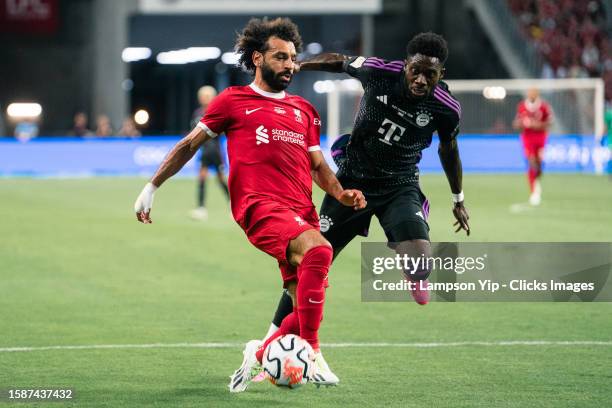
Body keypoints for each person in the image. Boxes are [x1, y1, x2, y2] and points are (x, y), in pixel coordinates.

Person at [133, 17, 366, 392]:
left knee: (305, 295)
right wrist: (152, 186)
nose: (290, 64)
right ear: (257, 58)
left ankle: (259, 353)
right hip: (260, 207)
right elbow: (189, 145)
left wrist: (340, 194)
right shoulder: (232, 101)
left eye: (293, 58)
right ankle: (311, 351)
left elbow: (318, 165)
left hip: (300, 210)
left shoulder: (304, 110)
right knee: (319, 251)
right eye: (280, 57)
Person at [254, 32, 470, 361]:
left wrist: (458, 198)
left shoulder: (446, 108)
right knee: (308, 261)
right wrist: (301, 64)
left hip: (400, 185)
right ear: (406, 66)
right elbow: (338, 62)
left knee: (422, 262)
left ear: (441, 75)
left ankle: (413, 267)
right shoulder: (379, 71)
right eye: (416, 70)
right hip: (351, 182)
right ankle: (268, 338)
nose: (421, 79)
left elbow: (448, 149)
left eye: (431, 74)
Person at [189, 86, 230, 221]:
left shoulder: (218, 111)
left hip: (216, 151)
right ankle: (201, 208)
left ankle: (233, 205)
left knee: (220, 179)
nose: (204, 98)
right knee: (201, 178)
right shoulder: (197, 113)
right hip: (204, 151)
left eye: (207, 96)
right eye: (202, 96)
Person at [513, 88, 552, 206]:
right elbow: (516, 123)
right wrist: (520, 124)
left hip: (540, 138)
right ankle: (534, 192)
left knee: (539, 163)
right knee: (531, 161)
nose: (531, 94)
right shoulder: (522, 106)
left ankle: (537, 180)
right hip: (527, 138)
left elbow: (549, 123)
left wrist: (537, 125)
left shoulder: (544, 106)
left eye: (533, 92)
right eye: (529, 92)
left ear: (537, 94)